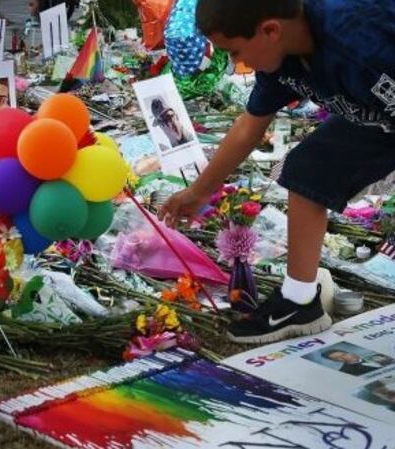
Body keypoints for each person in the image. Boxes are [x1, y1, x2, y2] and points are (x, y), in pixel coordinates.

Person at [158, 0, 395, 344]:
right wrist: (199, 191)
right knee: (309, 168)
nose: (237, 63)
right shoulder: (281, 57)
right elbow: (248, 128)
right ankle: (300, 301)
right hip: (378, 116)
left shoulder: (361, 40)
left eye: (235, 51)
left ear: (270, 30)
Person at [321, 349, 394, 376]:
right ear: (335, 361)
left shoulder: (378, 355)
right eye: (337, 358)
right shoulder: (346, 372)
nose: (343, 357)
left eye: (343, 354)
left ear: (348, 352)